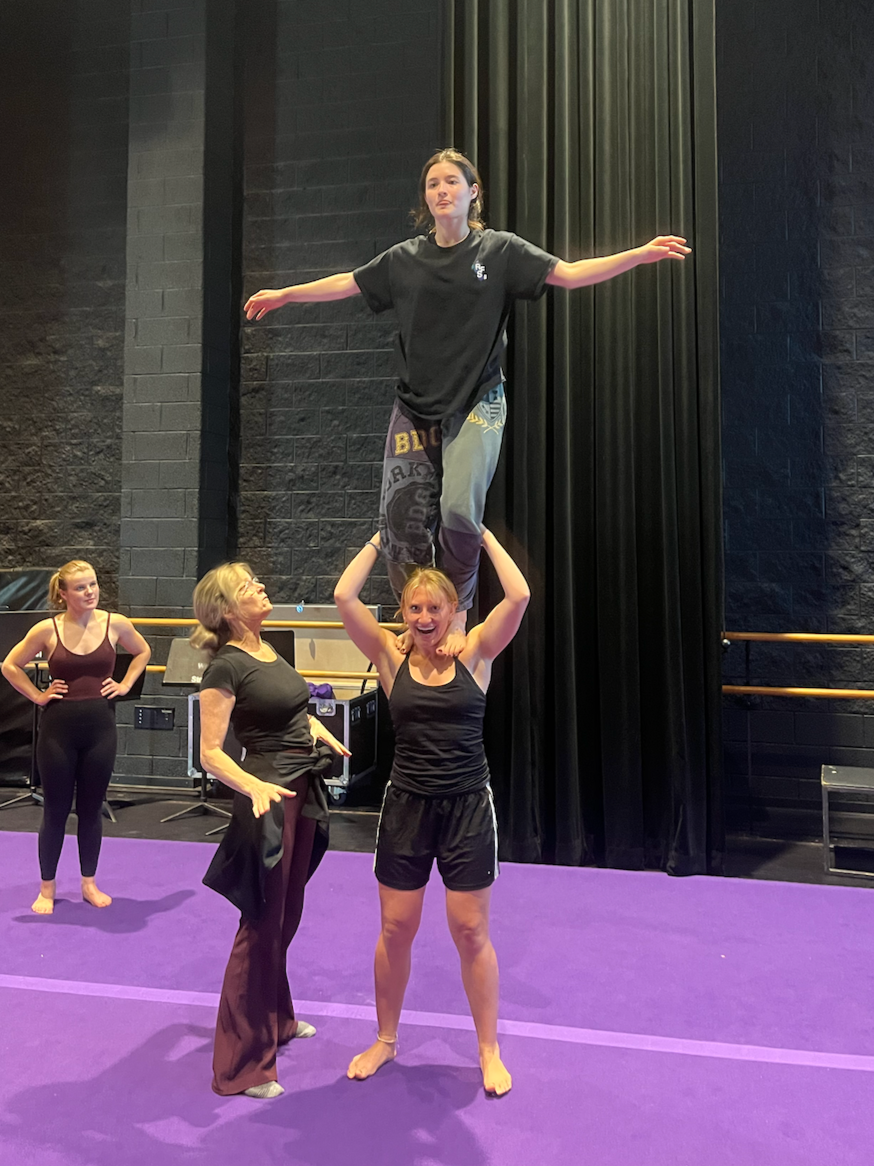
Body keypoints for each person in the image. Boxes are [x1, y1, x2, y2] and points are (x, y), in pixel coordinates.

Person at [245, 147, 689, 650]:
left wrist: (639, 255)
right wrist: (285, 295)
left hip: (477, 399)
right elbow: (348, 283)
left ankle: (455, 610)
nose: (442, 190)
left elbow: (567, 274)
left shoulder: (498, 252)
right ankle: (416, 613)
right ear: (425, 198)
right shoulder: (405, 258)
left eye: (452, 182)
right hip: (415, 406)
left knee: (458, 510)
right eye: (433, 184)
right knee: (400, 524)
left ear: (472, 192)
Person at [333, 526, 530, 1096]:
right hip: (406, 807)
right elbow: (345, 596)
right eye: (415, 608)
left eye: (434, 608)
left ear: (452, 611)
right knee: (396, 928)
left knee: (470, 930)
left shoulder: (475, 653)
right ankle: (385, 1039)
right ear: (403, 612)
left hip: (467, 807)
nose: (424, 617)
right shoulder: (388, 656)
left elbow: (518, 595)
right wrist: (382, 536)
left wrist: (480, 534)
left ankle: (488, 1049)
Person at [191, 562, 350, 1099]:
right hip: (268, 798)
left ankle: (277, 1018)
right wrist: (252, 785)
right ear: (226, 610)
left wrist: (316, 728)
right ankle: (240, 1067)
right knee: (260, 924)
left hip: (300, 788)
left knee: (287, 912)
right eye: (248, 585)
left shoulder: (267, 648)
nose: (261, 586)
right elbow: (211, 753)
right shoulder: (225, 667)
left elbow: (286, 711)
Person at [1, 560, 151, 914]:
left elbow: (142, 651)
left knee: (90, 809)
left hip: (100, 730)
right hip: (58, 732)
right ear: (63, 593)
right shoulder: (47, 629)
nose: (90, 592)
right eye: (81, 587)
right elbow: (9, 665)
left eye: (93, 584)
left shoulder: (115, 624)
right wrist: (38, 696)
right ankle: (47, 887)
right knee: (55, 809)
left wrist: (125, 684)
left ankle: (89, 883)